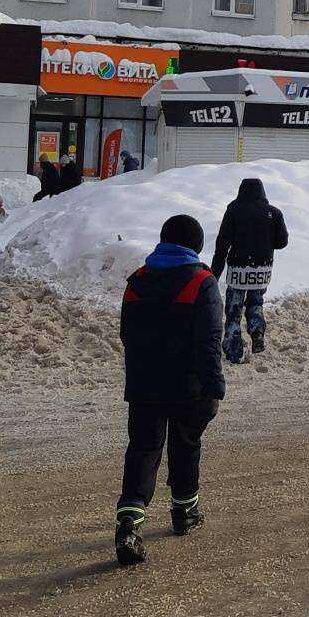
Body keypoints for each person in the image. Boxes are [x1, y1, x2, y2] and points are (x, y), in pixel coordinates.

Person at [114, 213, 226, 568]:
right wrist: (214, 388)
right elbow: (209, 343)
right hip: (187, 386)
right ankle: (184, 512)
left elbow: (127, 334)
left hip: (144, 384)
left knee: (143, 449)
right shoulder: (202, 282)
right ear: (196, 245)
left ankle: (129, 521)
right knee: (186, 445)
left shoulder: (137, 281)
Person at [211, 176, 289, 362]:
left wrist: (214, 273)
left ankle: (233, 350)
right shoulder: (274, 213)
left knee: (234, 309)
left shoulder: (233, 210)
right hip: (263, 268)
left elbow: (222, 244)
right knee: (256, 303)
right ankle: (257, 333)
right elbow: (282, 242)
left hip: (238, 268)